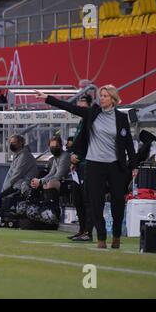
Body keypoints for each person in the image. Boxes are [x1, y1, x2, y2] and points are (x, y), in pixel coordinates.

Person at [36, 85, 137, 249]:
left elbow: (128, 144)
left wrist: (134, 165)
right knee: (96, 202)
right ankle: (102, 238)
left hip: (115, 165)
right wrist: (47, 98)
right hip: (94, 164)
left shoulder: (121, 118)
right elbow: (70, 107)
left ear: (113, 99)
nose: (102, 98)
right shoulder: (92, 113)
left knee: (118, 202)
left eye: (105, 96)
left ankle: (117, 235)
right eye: (101, 95)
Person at [0, 134, 38, 212]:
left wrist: (7, 186)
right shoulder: (18, 155)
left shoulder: (24, 156)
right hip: (16, 184)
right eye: (10, 143)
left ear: (21, 143)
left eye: (14, 143)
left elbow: (17, 174)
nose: (11, 145)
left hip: (21, 185)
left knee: (0, 199)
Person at [68, 94, 94, 242]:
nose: (80, 105)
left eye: (83, 102)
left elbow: (90, 144)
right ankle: (81, 229)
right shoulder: (81, 122)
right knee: (77, 199)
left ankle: (88, 232)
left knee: (87, 200)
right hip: (78, 166)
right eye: (79, 102)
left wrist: (79, 157)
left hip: (87, 165)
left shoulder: (91, 121)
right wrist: (73, 159)